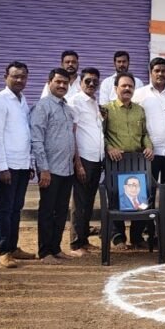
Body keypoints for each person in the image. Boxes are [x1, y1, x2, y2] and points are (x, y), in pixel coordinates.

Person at [0, 61, 36, 269]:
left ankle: (13, 246)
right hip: (8, 166)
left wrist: (29, 162)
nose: (19, 80)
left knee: (17, 208)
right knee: (5, 209)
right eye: (15, 76)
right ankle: (3, 251)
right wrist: (2, 167)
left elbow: (23, 133)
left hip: (22, 164)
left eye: (23, 76)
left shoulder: (22, 99)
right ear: (6, 77)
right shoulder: (0, 101)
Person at [103, 72, 155, 249]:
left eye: (130, 86)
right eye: (123, 86)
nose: (127, 89)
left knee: (140, 197)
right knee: (116, 198)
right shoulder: (106, 110)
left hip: (137, 161)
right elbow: (100, 135)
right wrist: (109, 148)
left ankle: (137, 236)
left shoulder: (139, 110)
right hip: (116, 161)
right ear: (116, 88)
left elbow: (144, 134)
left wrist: (148, 147)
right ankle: (117, 237)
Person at [31, 68, 77, 264]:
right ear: (49, 82)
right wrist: (44, 168)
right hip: (50, 170)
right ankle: (44, 252)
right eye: (58, 82)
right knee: (47, 210)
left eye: (65, 83)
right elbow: (37, 139)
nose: (61, 86)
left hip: (67, 169)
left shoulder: (68, 109)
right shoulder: (42, 107)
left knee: (61, 210)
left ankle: (56, 248)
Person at [133, 57, 165, 241]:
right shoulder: (140, 94)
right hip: (149, 154)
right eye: (157, 71)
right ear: (150, 72)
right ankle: (142, 235)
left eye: (163, 71)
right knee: (146, 195)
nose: (160, 74)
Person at [68, 67, 104, 256]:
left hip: (96, 159)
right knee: (79, 202)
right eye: (87, 81)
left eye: (95, 81)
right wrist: (77, 162)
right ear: (80, 82)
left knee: (89, 201)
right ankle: (75, 243)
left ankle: (84, 239)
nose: (91, 84)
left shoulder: (94, 102)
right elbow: (72, 133)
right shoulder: (75, 102)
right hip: (83, 159)